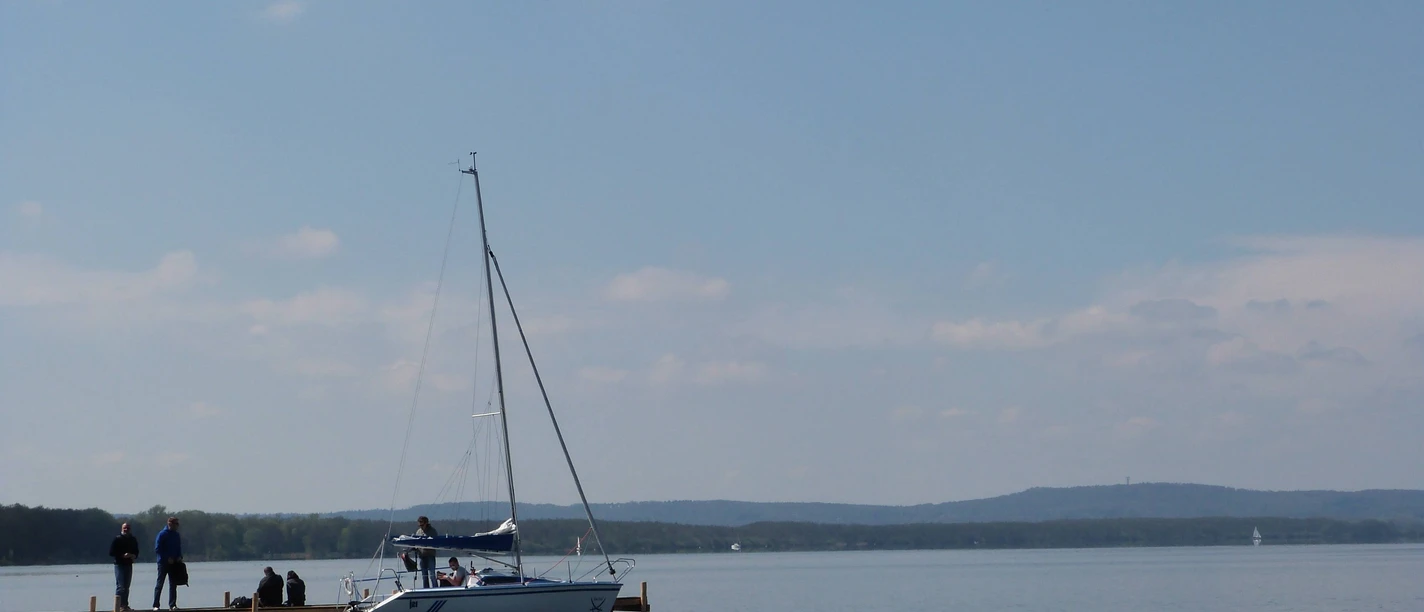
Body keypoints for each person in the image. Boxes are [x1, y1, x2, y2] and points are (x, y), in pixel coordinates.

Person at [152, 517, 182, 610]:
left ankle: (172, 604)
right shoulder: (162, 534)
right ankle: (156, 605)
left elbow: (178, 547)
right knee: (160, 583)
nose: (178, 526)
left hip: (174, 563)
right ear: (170, 524)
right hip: (163, 563)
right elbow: (158, 548)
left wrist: (179, 556)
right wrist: (167, 558)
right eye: (176, 524)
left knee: (173, 584)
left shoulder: (176, 535)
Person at [109, 522, 139, 611]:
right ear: (122, 529)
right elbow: (111, 552)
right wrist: (122, 555)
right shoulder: (117, 539)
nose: (126, 530)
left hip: (129, 564)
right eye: (124, 528)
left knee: (126, 587)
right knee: (120, 586)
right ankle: (118, 606)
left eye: (128, 528)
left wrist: (134, 555)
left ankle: (125, 605)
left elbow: (136, 551)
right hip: (119, 564)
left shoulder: (133, 539)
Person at [415, 517, 439, 588]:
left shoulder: (432, 531)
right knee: (424, 576)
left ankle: (435, 589)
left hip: (430, 555)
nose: (421, 527)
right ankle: (426, 589)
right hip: (421, 556)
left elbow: (436, 542)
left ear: (426, 523)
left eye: (422, 525)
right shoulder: (418, 532)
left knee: (432, 575)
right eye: (419, 525)